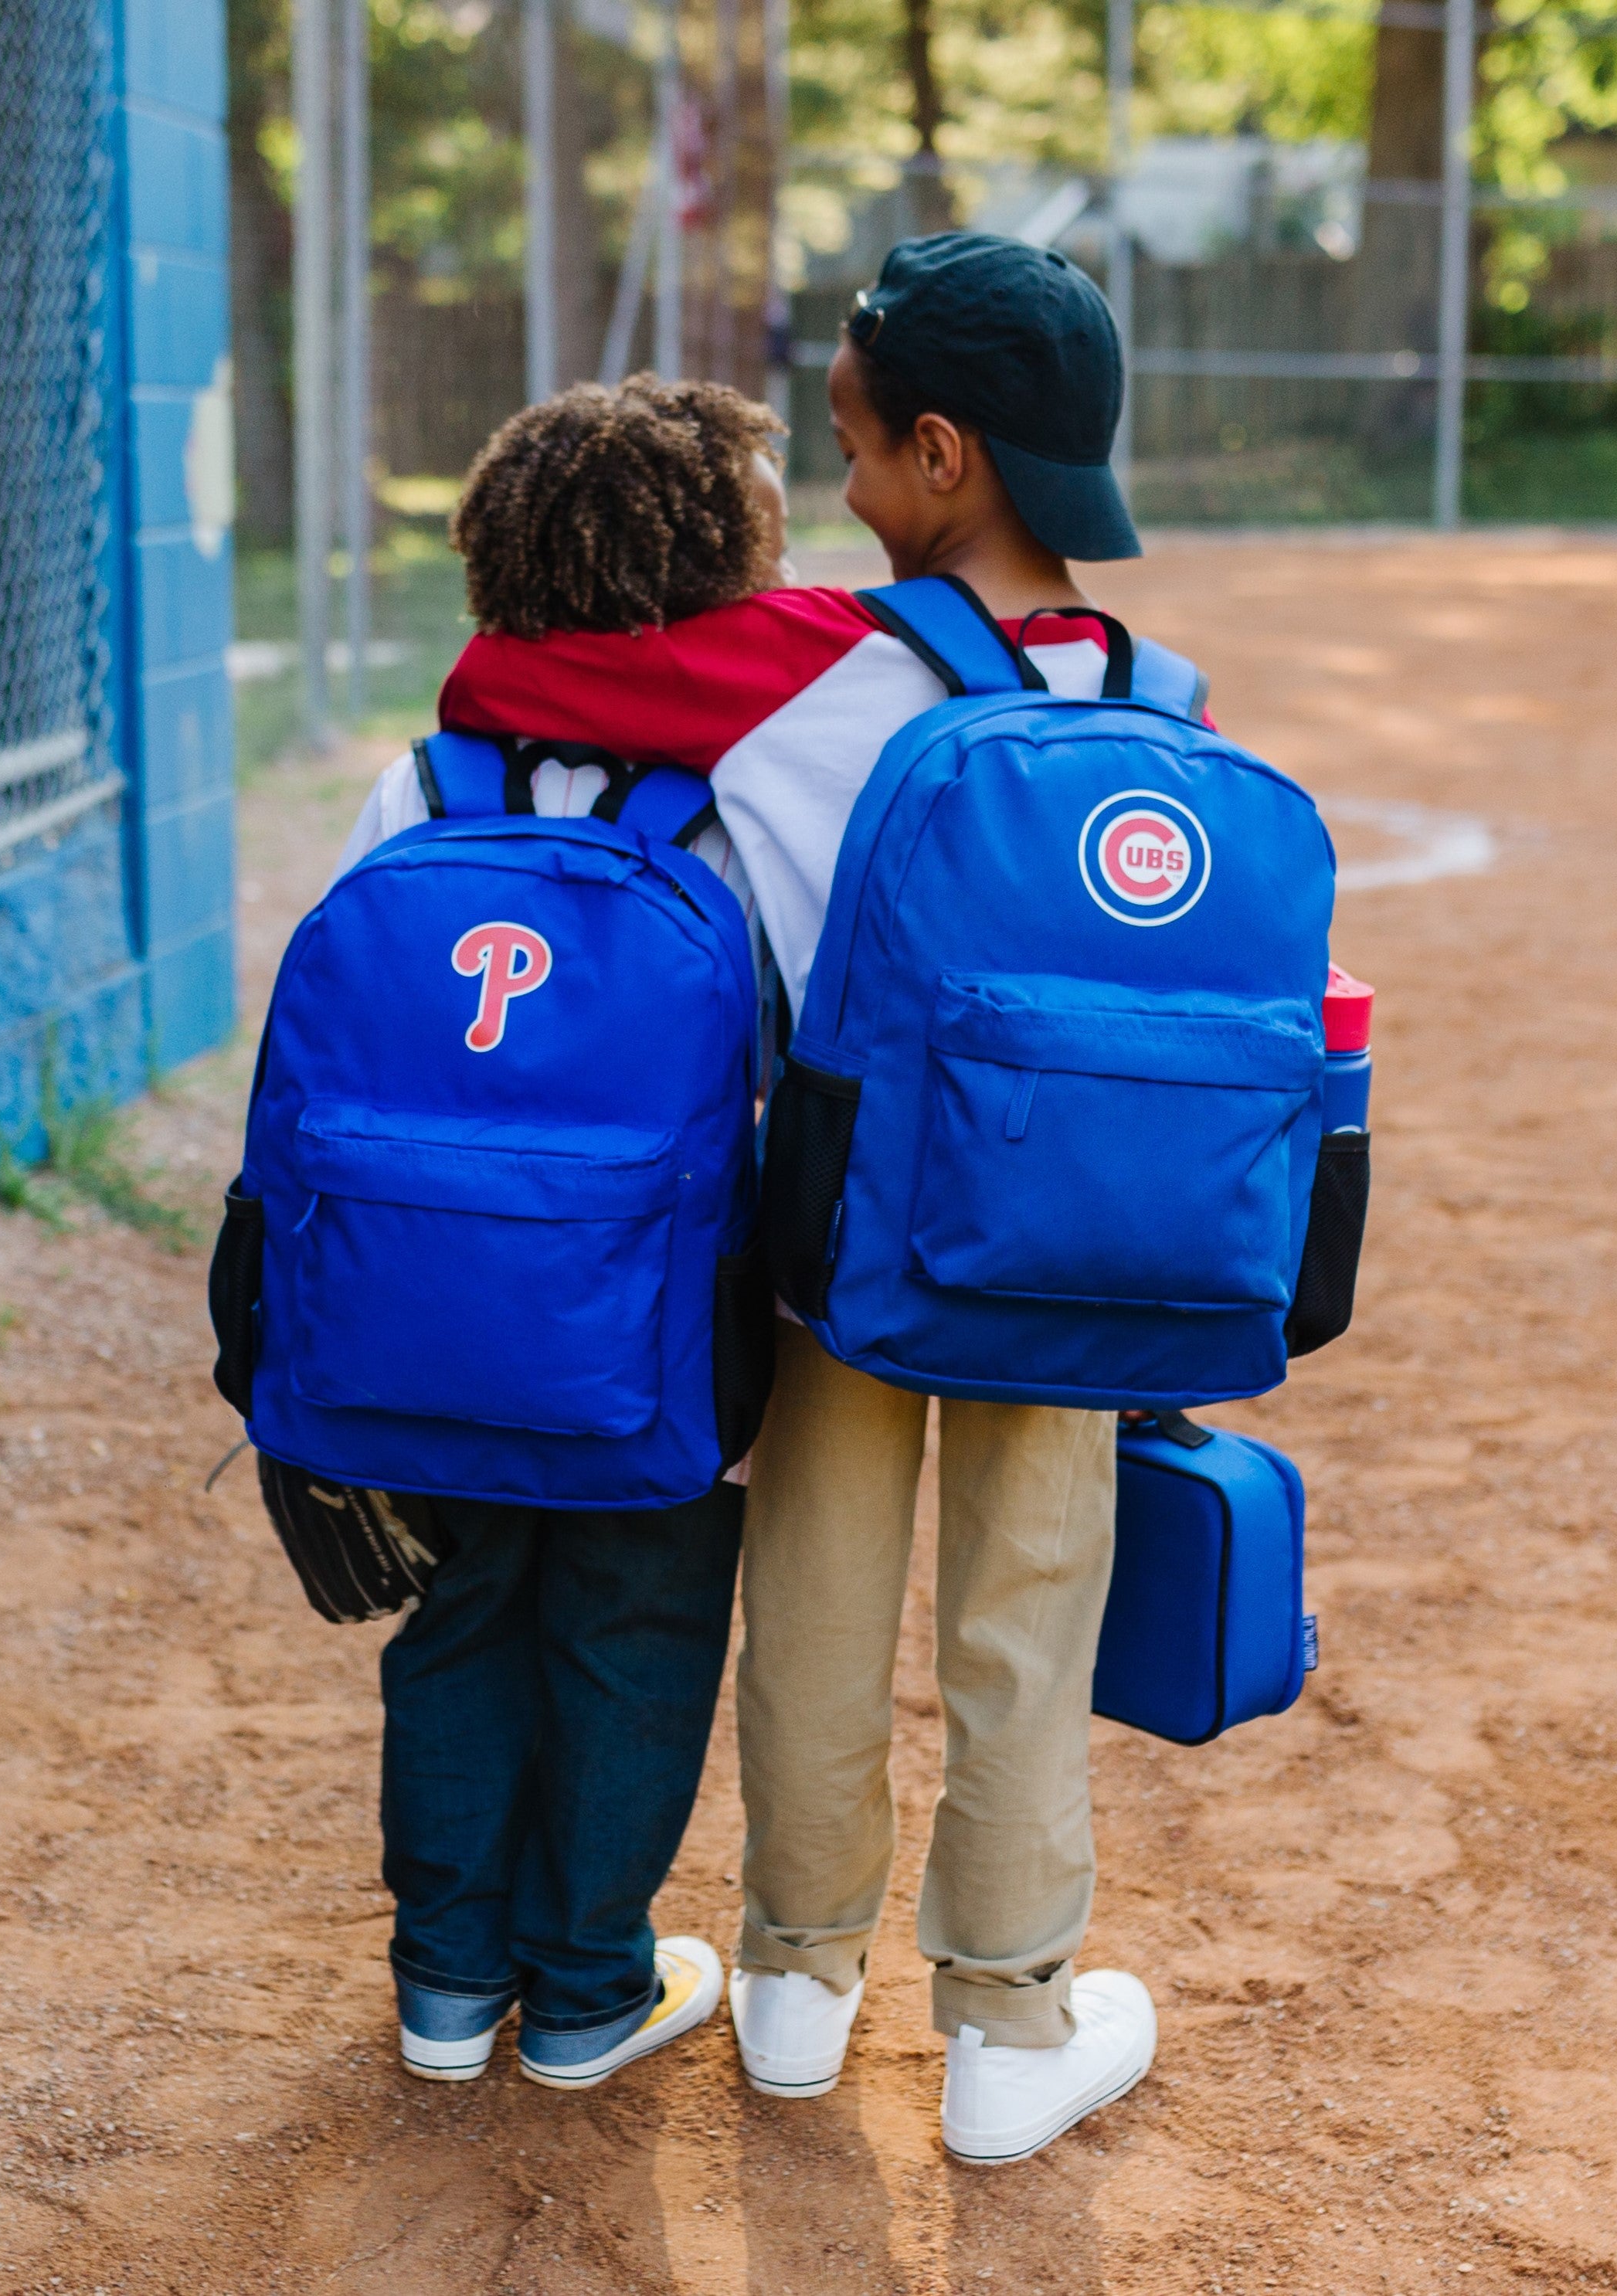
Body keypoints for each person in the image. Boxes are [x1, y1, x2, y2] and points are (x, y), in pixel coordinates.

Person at [437, 233, 1172, 2162]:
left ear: (941, 455)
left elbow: (547, 675)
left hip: (838, 1232)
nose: (835, 497)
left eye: (850, 452)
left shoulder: (835, 663)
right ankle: (1013, 2025)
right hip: (1070, 1246)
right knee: (1029, 1608)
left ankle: (791, 1983)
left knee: (818, 1586)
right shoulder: (1159, 706)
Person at [307, 373, 788, 2092]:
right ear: (723, 574)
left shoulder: (417, 789)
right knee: (634, 1632)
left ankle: (442, 1986)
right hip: (648, 1340)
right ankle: (586, 1987)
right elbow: (787, 1067)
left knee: (458, 1621)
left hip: (422, 1329)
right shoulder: (727, 815)